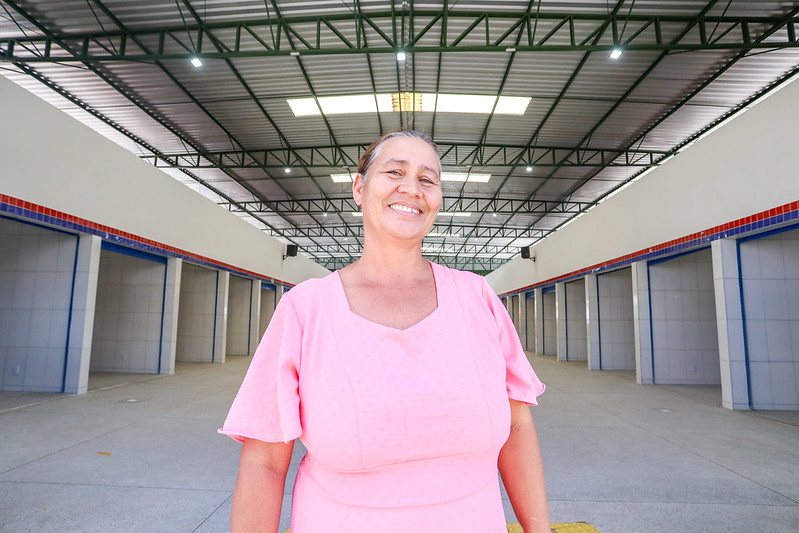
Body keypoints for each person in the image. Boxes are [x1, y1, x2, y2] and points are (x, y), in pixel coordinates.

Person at [220, 130, 550, 532]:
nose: (411, 188)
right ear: (359, 188)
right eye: (395, 172)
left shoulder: (478, 298)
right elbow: (264, 462)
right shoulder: (305, 310)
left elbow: (517, 426)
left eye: (427, 179)